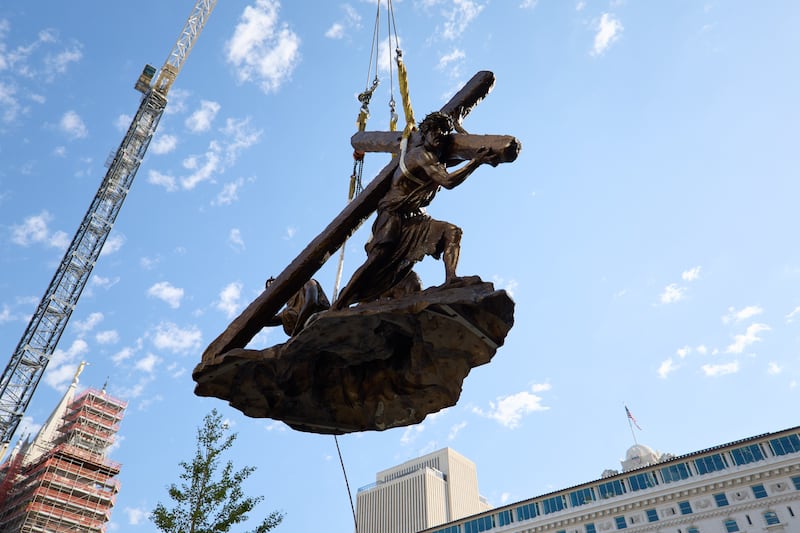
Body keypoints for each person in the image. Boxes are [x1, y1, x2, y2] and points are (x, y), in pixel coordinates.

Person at [333, 112, 497, 309]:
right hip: (393, 215)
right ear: (425, 132)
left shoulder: (438, 157)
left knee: (452, 232)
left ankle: (451, 279)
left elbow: (467, 151)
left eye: (444, 131)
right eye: (435, 129)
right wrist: (476, 162)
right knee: (377, 260)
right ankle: (339, 304)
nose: (440, 134)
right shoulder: (421, 155)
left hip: (415, 217)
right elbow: (447, 181)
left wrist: (461, 131)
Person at [263, 277, 330, 336]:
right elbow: (265, 321)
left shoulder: (307, 283)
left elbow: (312, 303)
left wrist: (297, 330)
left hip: (321, 322)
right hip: (305, 334)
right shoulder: (287, 312)